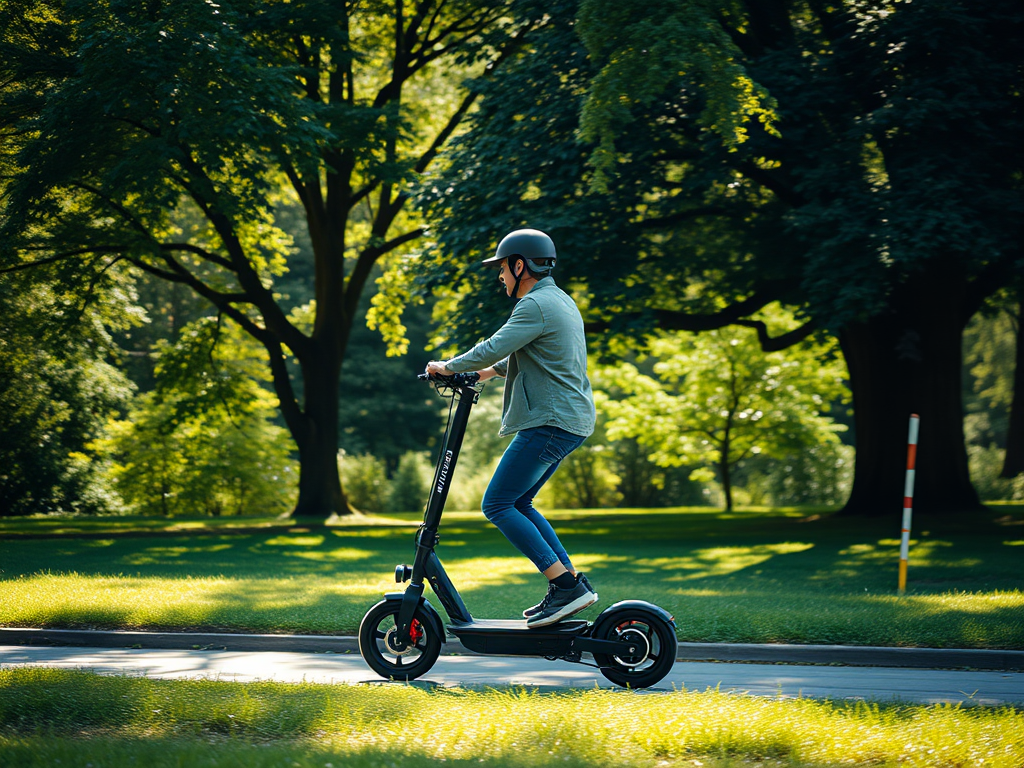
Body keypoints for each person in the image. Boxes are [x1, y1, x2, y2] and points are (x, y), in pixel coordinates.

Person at [426, 228, 598, 628]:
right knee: (519, 503)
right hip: (567, 420)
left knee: (498, 503)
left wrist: (446, 367)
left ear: (521, 265)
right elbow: (533, 355)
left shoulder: (534, 305)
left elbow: (494, 346)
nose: (499, 275)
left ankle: (565, 585)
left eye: (502, 267)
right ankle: (568, 586)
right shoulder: (559, 301)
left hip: (551, 421)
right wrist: (487, 373)